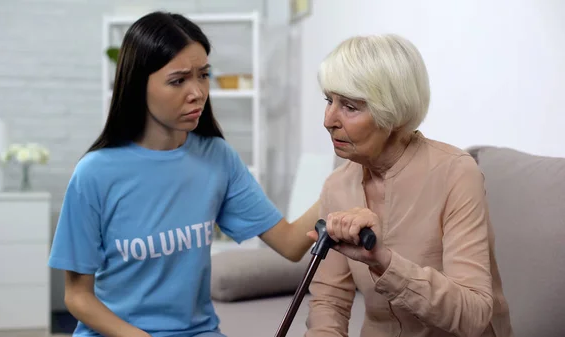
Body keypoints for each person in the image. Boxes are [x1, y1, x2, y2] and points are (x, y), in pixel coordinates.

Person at [47, 11, 341, 337]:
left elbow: (290, 243)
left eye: (203, 75)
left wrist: (349, 174)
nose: (198, 92)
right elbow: (77, 296)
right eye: (178, 80)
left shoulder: (218, 158)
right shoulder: (94, 174)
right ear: (136, 85)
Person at [304, 34, 514, 337]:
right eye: (329, 100)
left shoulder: (455, 172)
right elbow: (330, 300)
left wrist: (384, 262)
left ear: (392, 111)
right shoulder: (337, 186)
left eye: (349, 106)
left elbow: (474, 314)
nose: (328, 120)